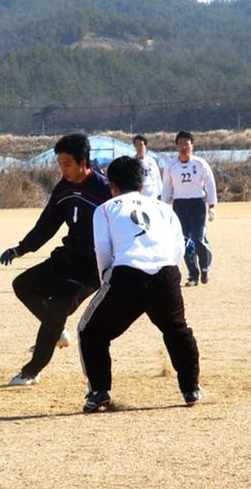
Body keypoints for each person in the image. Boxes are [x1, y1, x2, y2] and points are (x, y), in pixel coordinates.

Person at [77, 155, 201, 412]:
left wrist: (106, 281)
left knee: (90, 332)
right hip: (166, 273)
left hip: (126, 275)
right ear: (142, 185)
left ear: (112, 187)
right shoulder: (164, 209)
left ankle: (99, 392)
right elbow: (177, 248)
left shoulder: (105, 209)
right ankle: (191, 389)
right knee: (177, 329)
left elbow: (102, 250)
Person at [0, 132, 111, 386]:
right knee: (23, 285)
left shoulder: (104, 191)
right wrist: (21, 249)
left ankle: (31, 370)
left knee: (57, 308)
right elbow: (47, 224)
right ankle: (56, 330)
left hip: (91, 268)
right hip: (67, 257)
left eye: (67, 164)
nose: (63, 169)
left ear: (84, 162)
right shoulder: (64, 187)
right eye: (59, 164)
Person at [161, 130, 217, 286]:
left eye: (186, 143)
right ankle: (193, 275)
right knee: (183, 241)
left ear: (192, 145)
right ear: (176, 146)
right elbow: (167, 187)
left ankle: (205, 266)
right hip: (179, 205)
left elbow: (210, 185)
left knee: (198, 239)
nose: (183, 147)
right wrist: (163, 206)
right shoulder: (171, 165)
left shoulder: (200, 163)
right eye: (180, 144)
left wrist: (212, 206)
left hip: (197, 204)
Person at [132, 133, 162, 200]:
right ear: (134, 146)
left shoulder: (151, 161)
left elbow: (157, 177)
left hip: (151, 193)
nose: (139, 147)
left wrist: (160, 193)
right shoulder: (132, 161)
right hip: (138, 193)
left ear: (145, 145)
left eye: (141, 145)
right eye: (137, 145)